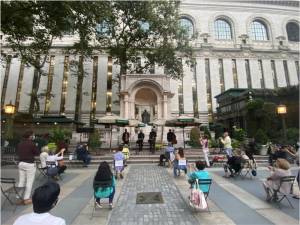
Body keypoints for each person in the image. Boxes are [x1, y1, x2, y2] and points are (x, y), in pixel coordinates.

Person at [16, 131, 39, 205]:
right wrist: (36, 146)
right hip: (29, 164)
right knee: (29, 182)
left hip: (21, 163)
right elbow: (37, 153)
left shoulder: (20, 143)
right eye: (32, 135)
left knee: (21, 181)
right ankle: (26, 199)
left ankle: (18, 198)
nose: (33, 136)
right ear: (30, 136)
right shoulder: (32, 144)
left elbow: (18, 152)